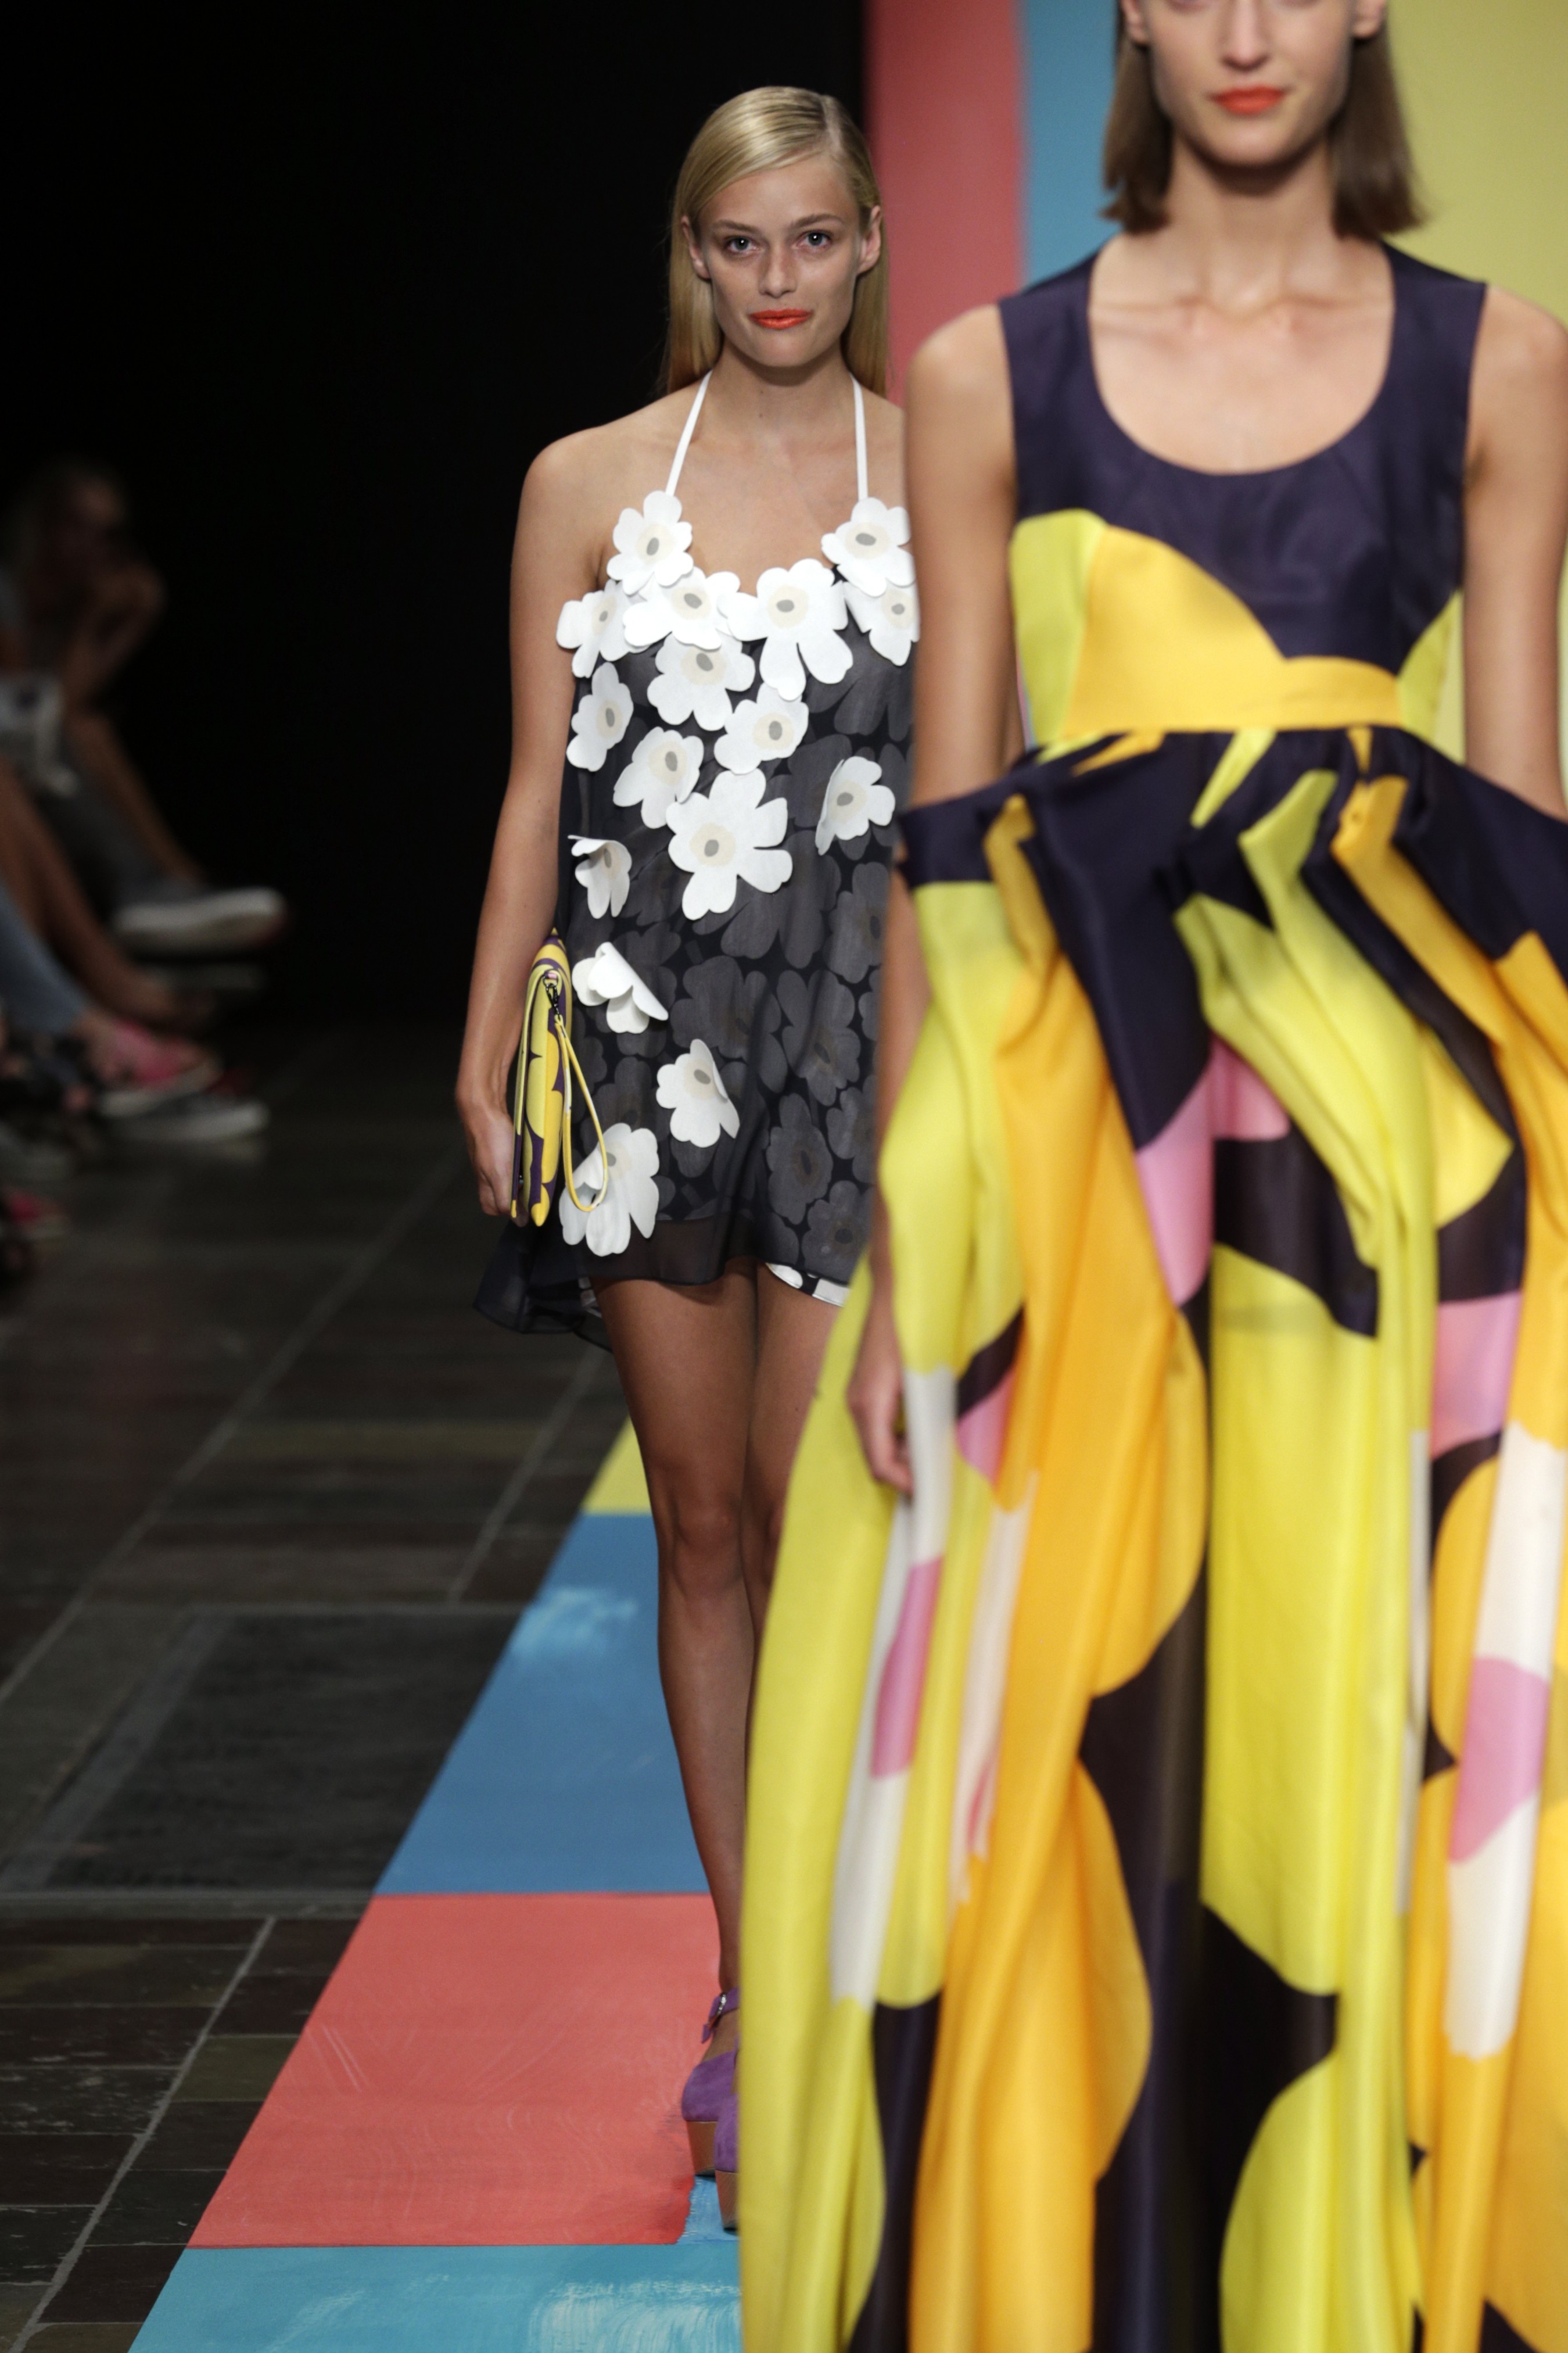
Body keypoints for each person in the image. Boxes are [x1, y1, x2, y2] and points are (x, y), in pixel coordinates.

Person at [742, 5, 1568, 2348]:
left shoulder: (1494, 364)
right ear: (1126, 11)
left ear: (1363, 7)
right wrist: (905, 1230)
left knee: (1344, 1704)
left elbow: (1517, 835)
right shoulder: (981, 376)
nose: (1240, 25)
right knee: (1061, 1721)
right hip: (1070, 1137)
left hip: (1385, 1166)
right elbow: (942, 839)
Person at [457, 88, 914, 2226]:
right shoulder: (580, 483)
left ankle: (841, 1967)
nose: (778, 279)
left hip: (851, 1048)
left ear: (868, 241)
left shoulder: (935, 474)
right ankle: (752, 1985)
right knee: (705, 1518)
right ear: (693, 252)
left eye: (812, 238)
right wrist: (487, 1051)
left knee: (826, 1525)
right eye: (742, 243)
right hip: (639, 1044)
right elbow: (533, 788)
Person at [0, 462, 287, 958]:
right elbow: (38, 719)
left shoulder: (61, 609)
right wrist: (98, 623)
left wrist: (127, 628)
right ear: (42, 524)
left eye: (106, 534)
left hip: (40, 768)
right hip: (18, 765)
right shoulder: (8, 596)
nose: (92, 546)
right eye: (77, 525)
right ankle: (155, 884)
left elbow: (63, 707)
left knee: (91, 730)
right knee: (87, 731)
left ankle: (167, 882)